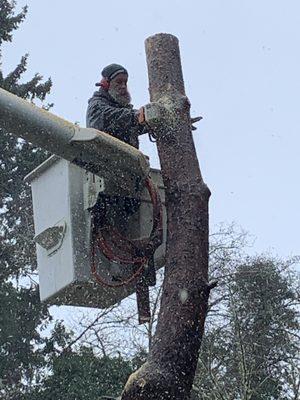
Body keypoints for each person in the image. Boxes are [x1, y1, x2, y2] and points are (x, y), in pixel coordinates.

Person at [86, 63, 145, 149]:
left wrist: (150, 121)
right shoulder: (97, 106)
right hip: (104, 158)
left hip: (124, 159)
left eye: (125, 82)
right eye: (119, 82)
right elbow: (113, 117)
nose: (123, 86)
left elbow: (135, 124)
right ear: (106, 84)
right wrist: (139, 115)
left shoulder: (123, 111)